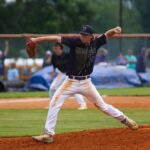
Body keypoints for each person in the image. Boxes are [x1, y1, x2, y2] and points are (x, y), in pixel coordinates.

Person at [31, 25, 138, 143]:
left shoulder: (96, 43)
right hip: (70, 82)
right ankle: (49, 134)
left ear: (91, 36)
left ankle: (125, 119)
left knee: (102, 106)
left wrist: (114, 30)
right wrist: (36, 40)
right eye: (81, 34)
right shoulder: (74, 42)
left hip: (86, 82)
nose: (82, 36)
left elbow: (107, 35)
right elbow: (55, 38)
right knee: (54, 103)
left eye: (85, 35)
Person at [50, 42, 87, 110]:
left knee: (75, 89)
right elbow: (54, 66)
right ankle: (52, 104)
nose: (55, 47)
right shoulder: (54, 56)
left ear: (60, 47)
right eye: (54, 46)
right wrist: (53, 72)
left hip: (70, 73)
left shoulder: (67, 55)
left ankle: (83, 105)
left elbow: (75, 63)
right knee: (52, 87)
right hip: (62, 73)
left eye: (56, 46)